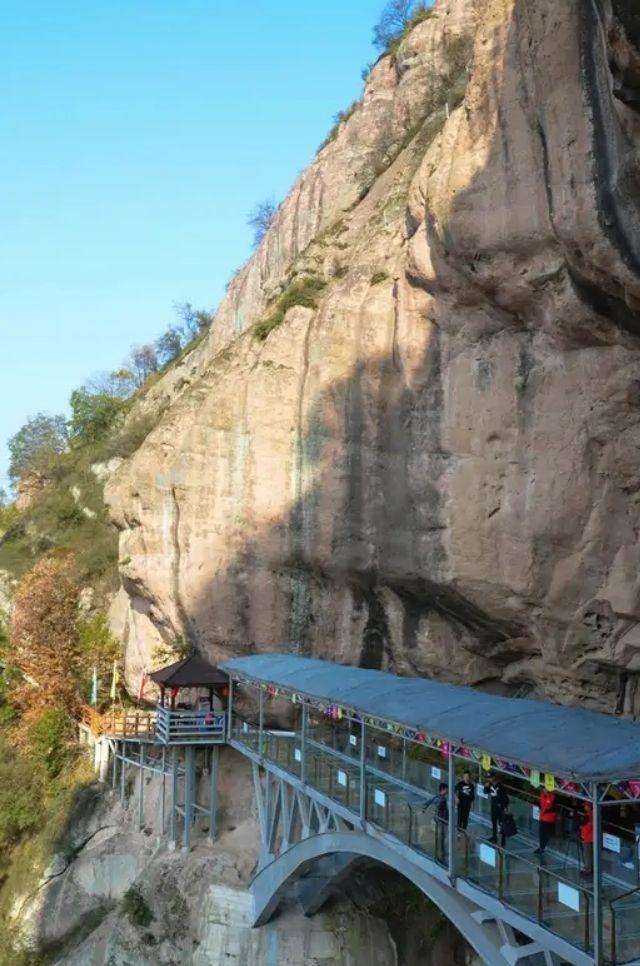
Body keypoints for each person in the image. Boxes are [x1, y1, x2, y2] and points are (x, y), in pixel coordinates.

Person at [424, 782, 449, 860]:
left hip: (441, 820)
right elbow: (439, 807)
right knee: (441, 837)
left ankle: (441, 852)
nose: (447, 791)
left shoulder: (437, 797)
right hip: (441, 820)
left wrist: (424, 808)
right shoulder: (441, 799)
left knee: (442, 837)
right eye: (446, 789)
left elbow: (428, 802)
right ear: (443, 789)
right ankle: (440, 853)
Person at [484, 774, 509, 846]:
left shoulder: (501, 787)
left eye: (490, 778)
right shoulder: (490, 785)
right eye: (489, 778)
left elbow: (506, 799)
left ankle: (503, 841)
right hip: (493, 807)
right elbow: (485, 792)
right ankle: (494, 837)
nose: (489, 780)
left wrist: (505, 807)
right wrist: (486, 786)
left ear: (494, 778)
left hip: (500, 808)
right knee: (493, 823)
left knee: (501, 824)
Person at [534, 789, 558, 856]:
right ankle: (541, 847)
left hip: (549, 819)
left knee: (546, 834)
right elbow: (543, 804)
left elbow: (548, 804)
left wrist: (547, 794)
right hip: (543, 818)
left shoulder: (552, 796)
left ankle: (542, 847)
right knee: (541, 834)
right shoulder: (543, 796)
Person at [580, 801, 594, 877]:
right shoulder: (589, 814)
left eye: (585, 805)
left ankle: (588, 870)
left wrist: (582, 828)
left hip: (588, 838)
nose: (584, 807)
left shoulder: (590, 815)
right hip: (588, 838)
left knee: (587, 855)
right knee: (587, 854)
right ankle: (588, 869)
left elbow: (588, 827)